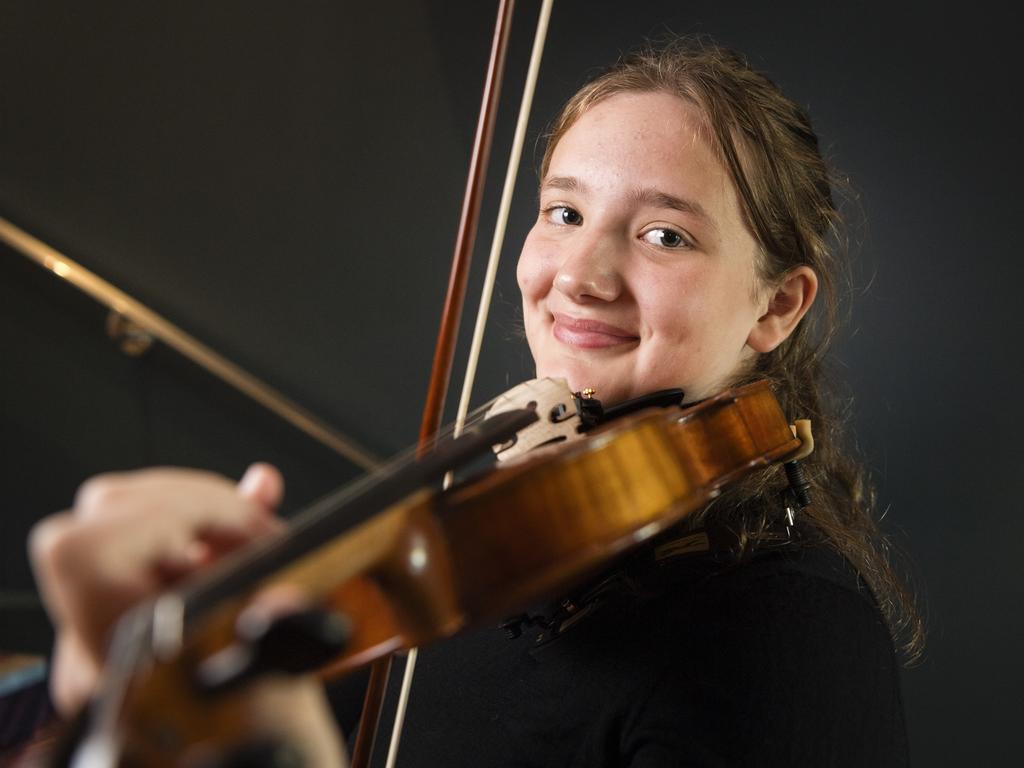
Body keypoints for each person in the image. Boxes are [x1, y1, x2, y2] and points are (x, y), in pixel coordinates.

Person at [23, 36, 921, 767]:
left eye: (664, 234)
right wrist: (110, 692)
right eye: (564, 213)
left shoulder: (791, 636)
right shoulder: (490, 527)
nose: (580, 274)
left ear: (776, 306)